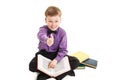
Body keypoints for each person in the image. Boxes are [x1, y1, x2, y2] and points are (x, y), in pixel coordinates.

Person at [29, 6, 79, 80]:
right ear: (46, 20)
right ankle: (61, 73)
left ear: (60, 20)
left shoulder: (62, 33)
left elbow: (63, 50)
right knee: (32, 66)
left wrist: (56, 60)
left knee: (75, 61)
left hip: (56, 55)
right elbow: (40, 35)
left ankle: (46, 75)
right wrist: (47, 40)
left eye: (56, 21)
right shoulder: (43, 29)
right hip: (44, 54)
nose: (53, 24)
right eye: (50, 21)